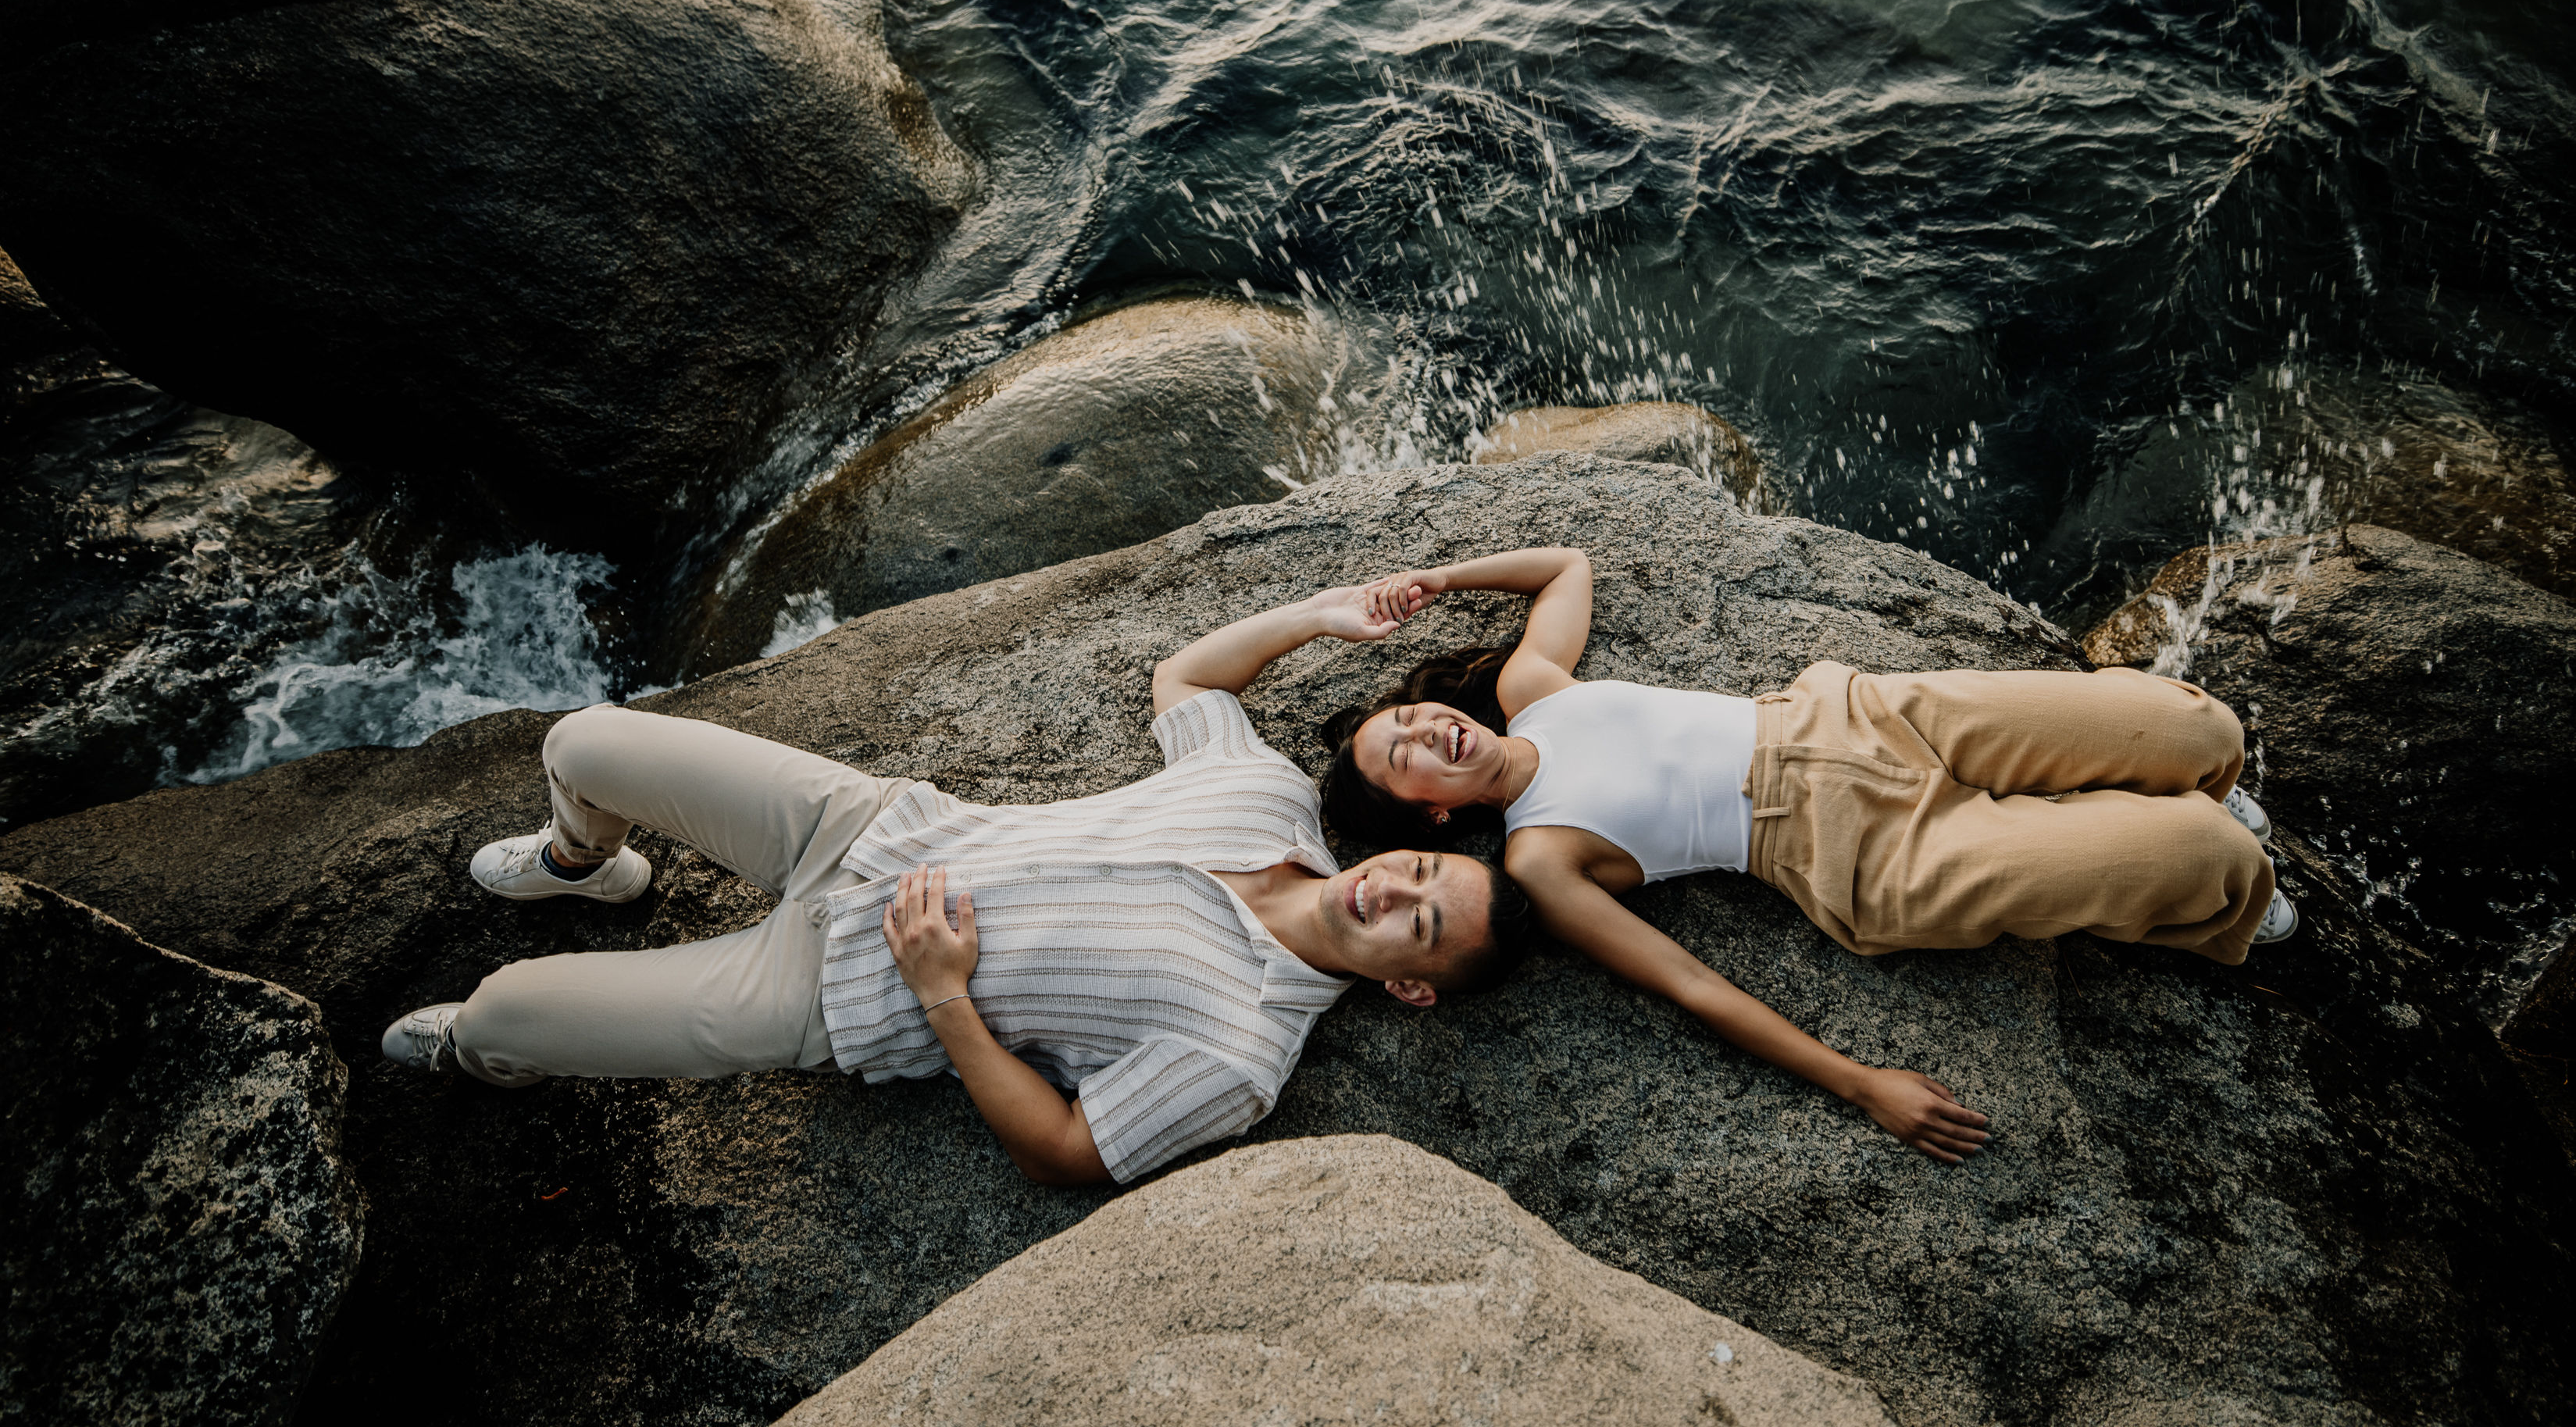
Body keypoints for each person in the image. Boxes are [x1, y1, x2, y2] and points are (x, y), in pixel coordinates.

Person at [380, 581, 1538, 1186]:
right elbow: (1184, 677)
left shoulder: (1241, 1057)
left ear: (1411, 991)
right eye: (1420, 869)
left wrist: (942, 994)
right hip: (866, 826)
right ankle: (589, 866)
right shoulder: (1273, 799)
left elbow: (1069, 1155)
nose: (1389, 891)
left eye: (1416, 925)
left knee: (504, 1013)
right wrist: (1317, 618)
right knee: (584, 742)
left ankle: (484, 1048)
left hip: (837, 993)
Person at [1315, 548, 2292, 1165]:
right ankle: (2236, 892)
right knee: (2196, 853)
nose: (1424, 731)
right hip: (1861, 852)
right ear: (1428, 822)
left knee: (2189, 723)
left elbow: (1566, 566)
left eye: (1408, 715)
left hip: (1863, 717)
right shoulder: (1541, 860)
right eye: (1401, 758)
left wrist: (1439, 580)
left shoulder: (1534, 687)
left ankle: (2203, 780)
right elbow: (1691, 986)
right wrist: (1863, 1083)